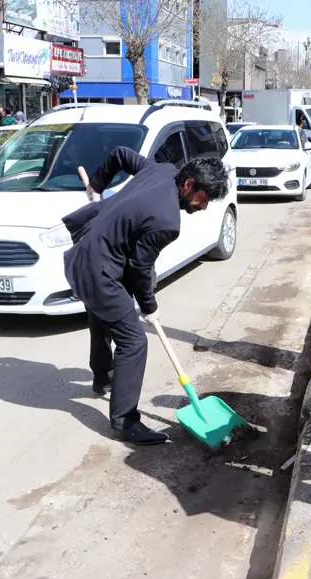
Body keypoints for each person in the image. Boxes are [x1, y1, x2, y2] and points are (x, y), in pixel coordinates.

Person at [61, 147, 229, 445]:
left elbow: (121, 155)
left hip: (83, 257)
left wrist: (97, 184)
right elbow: (140, 267)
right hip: (98, 271)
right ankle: (125, 422)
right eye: (203, 199)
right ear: (189, 184)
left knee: (103, 317)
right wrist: (150, 307)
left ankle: (102, 377)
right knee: (133, 341)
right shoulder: (167, 222)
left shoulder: (162, 170)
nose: (203, 207)